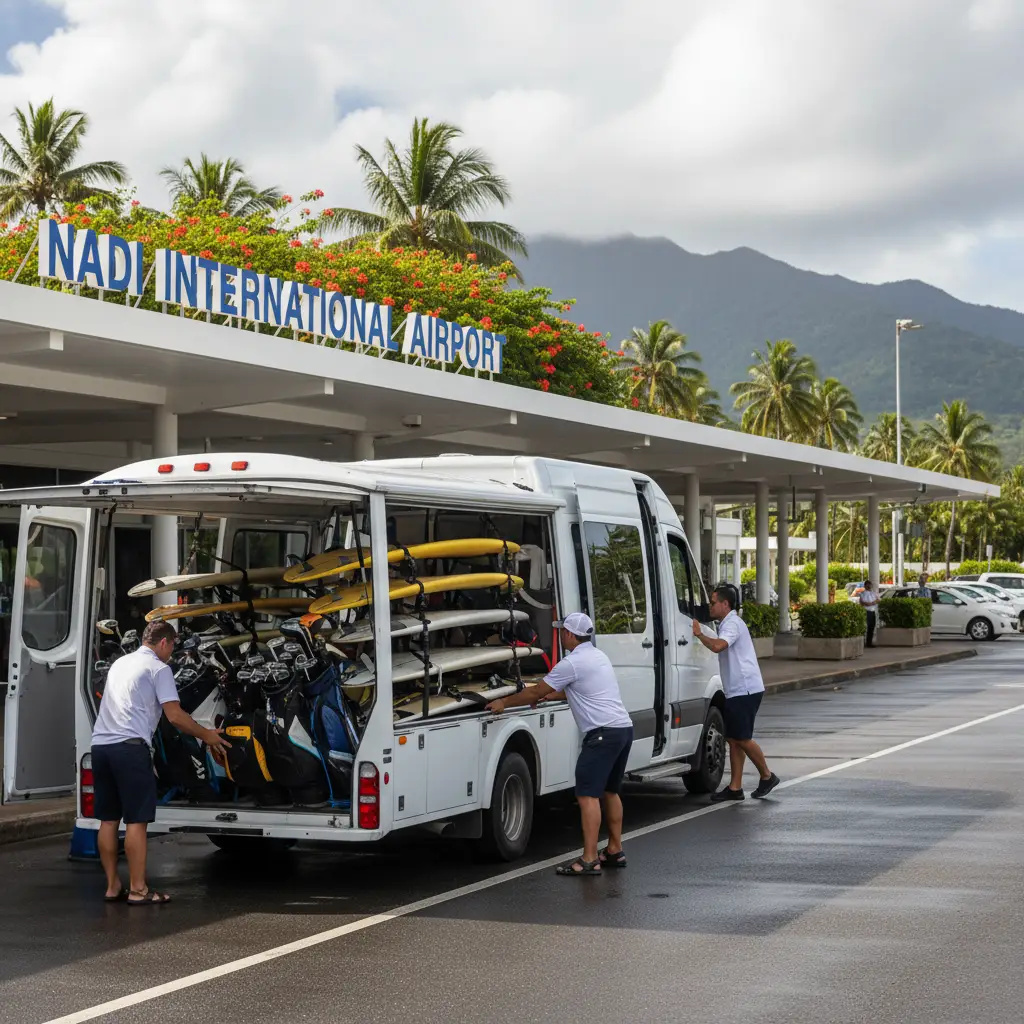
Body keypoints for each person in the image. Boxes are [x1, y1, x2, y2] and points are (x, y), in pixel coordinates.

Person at [92, 620, 229, 905]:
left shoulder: (120, 664)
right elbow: (175, 716)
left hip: (101, 746)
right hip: (130, 749)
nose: (172, 652)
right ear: (164, 643)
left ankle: (111, 886)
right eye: (173, 646)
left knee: (107, 820)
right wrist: (207, 735)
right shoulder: (159, 668)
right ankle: (139, 890)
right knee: (136, 821)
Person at [486, 612, 633, 877]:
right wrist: (548, 696)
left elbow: (534, 691)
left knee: (587, 795)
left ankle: (589, 860)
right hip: (622, 729)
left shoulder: (572, 662)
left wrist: (504, 702)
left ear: (570, 635)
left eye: (562, 630)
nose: (560, 634)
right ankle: (614, 849)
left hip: (601, 735)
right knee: (610, 791)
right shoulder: (598, 656)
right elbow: (576, 690)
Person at [691, 583, 779, 801]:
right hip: (738, 689)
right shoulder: (727, 623)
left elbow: (719, 646)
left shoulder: (732, 624)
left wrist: (699, 634)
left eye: (713, 602)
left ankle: (767, 776)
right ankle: (735, 787)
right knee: (733, 739)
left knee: (743, 738)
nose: (710, 606)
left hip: (745, 689)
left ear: (725, 604)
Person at [859, 580, 880, 647]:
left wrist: (873, 603)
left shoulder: (873, 593)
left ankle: (869, 642)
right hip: (866, 611)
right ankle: (864, 642)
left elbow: (878, 599)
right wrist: (871, 603)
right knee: (866, 627)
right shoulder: (863, 593)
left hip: (872, 611)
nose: (869, 586)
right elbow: (863, 602)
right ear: (865, 586)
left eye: (870, 585)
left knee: (871, 627)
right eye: (867, 585)